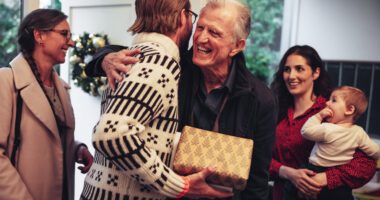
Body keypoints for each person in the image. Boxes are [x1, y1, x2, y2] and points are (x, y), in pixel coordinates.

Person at [84, 0, 277, 199]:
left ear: (237, 46)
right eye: (200, 27)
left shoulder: (260, 99)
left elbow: (257, 180)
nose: (201, 38)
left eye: (214, 33)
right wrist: (106, 59)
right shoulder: (173, 67)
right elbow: (118, 53)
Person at [0, 9, 93, 200]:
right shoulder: (6, 81)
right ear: (39, 35)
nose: (72, 42)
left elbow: (49, 139)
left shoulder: (60, 88)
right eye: (64, 34)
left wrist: (77, 149)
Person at [270, 45, 377, 200]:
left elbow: (366, 166)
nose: (291, 76)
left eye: (299, 69)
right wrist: (287, 172)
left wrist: (324, 178)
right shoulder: (275, 110)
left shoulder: (332, 113)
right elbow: (259, 156)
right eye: (287, 69)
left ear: (316, 73)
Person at [283, 85, 380, 200]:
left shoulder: (326, 128)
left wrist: (319, 116)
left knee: (289, 188)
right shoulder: (359, 132)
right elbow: (375, 152)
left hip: (315, 170)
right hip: (339, 184)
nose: (327, 103)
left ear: (349, 110)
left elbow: (306, 131)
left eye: (333, 100)